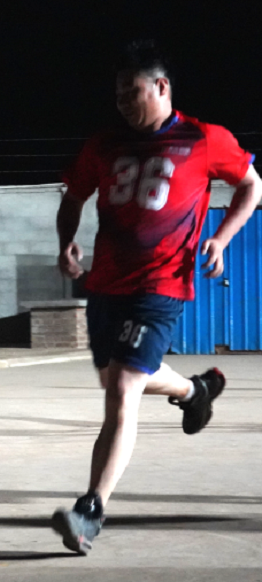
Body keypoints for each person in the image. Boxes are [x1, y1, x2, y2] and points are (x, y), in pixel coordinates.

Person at [52, 41, 261, 555]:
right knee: (118, 378)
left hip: (161, 284)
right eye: (118, 93)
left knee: (123, 386)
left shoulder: (203, 138)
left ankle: (90, 510)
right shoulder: (104, 145)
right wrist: (66, 241)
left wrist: (221, 237)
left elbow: (252, 185)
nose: (123, 101)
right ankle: (193, 391)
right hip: (106, 284)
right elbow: (73, 196)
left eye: (133, 91)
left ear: (162, 86)